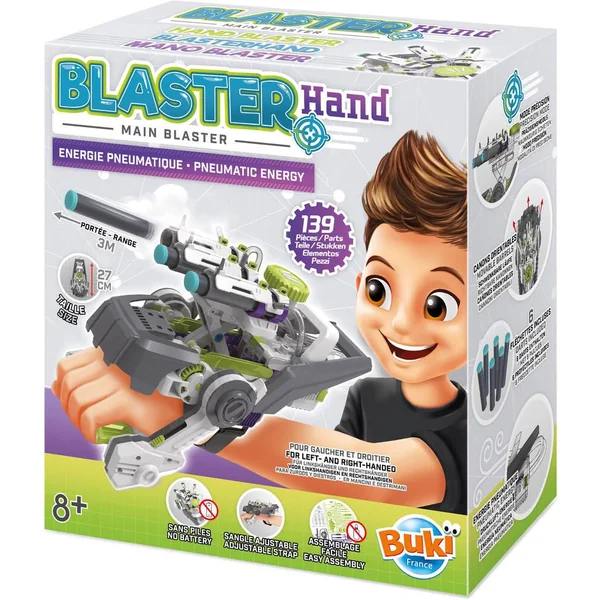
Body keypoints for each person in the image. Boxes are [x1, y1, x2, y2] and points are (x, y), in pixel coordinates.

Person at [52, 130, 468, 514]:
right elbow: (329, 469)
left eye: (437, 306)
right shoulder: (369, 395)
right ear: (361, 286)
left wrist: (178, 413)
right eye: (379, 291)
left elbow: (372, 480)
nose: (400, 323)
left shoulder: (469, 431)